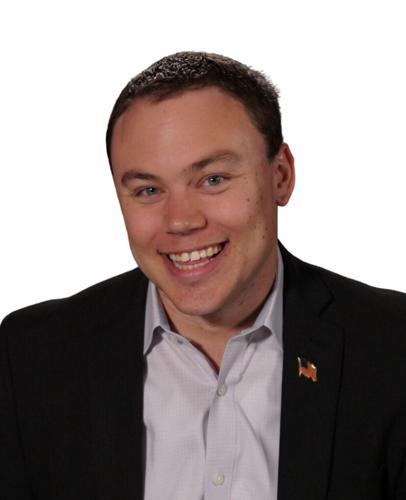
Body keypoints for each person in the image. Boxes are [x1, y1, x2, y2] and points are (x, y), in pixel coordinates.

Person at [1, 52, 405, 500]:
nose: (180, 221)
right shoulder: (31, 357)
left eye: (213, 179)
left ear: (281, 175)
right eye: (148, 190)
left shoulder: (392, 347)